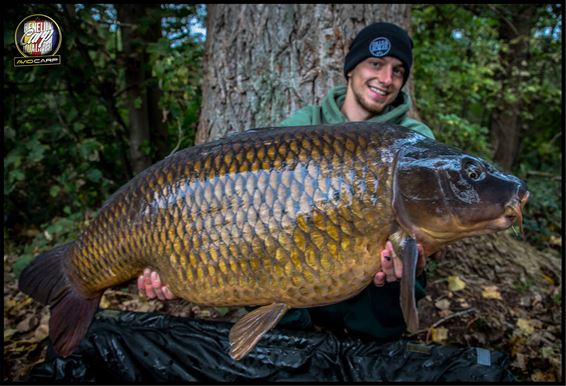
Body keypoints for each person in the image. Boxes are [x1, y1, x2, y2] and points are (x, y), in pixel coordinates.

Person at [138, 22, 438, 342]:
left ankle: (370, 341)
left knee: (398, 259)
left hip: (368, 280)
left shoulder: (413, 140)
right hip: (295, 259)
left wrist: (419, 256)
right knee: (252, 233)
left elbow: (432, 227)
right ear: (351, 69)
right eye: (375, 64)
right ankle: (291, 336)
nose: (385, 79)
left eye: (397, 70)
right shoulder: (302, 125)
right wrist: (174, 266)